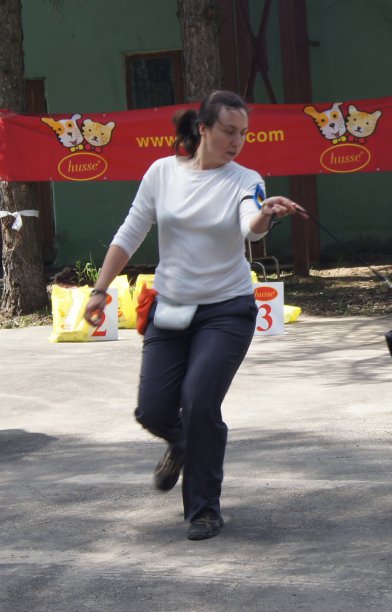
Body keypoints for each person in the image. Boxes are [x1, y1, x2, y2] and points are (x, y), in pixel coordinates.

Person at [83, 90, 307, 541]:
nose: (237, 141)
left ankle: (204, 509)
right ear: (203, 129)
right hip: (171, 306)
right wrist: (99, 290)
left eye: (243, 133)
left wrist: (266, 215)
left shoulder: (246, 179)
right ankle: (183, 443)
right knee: (153, 410)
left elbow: (250, 226)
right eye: (228, 131)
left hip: (227, 309)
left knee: (200, 400)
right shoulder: (161, 173)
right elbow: (130, 233)